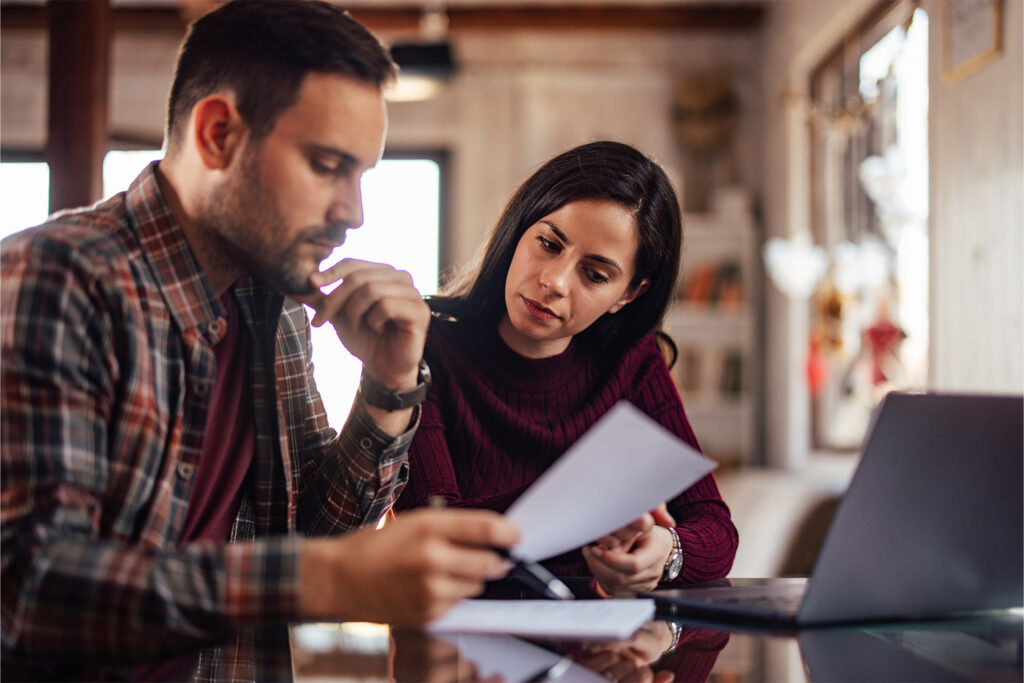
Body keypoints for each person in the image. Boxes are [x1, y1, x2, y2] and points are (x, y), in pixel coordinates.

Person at [0, 1, 519, 680]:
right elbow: (30, 589)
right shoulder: (57, 278)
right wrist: (324, 577)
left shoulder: (271, 301)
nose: (353, 212)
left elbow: (313, 536)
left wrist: (389, 384)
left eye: (362, 175)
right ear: (217, 135)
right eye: (327, 164)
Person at [394, 141, 738, 598]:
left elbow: (715, 531)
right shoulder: (423, 349)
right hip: (453, 653)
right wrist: (593, 519)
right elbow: (434, 535)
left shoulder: (633, 362)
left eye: (594, 275)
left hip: (591, 654)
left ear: (629, 294)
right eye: (549, 244)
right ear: (520, 228)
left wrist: (665, 551)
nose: (553, 281)